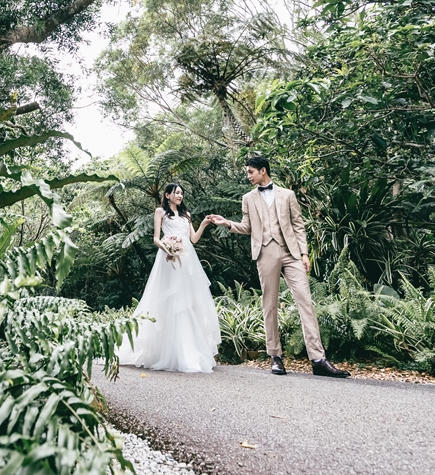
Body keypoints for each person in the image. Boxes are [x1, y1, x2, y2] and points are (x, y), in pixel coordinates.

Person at [208, 157, 350, 378]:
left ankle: (318, 359)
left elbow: (298, 225)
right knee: (270, 304)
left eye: (250, 172)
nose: (248, 176)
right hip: (265, 252)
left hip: (291, 253)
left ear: (263, 171)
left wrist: (304, 253)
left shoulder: (288, 195)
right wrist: (227, 223)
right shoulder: (248, 198)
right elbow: (247, 227)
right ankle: (275, 356)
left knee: (305, 302)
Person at [118, 183, 222, 373]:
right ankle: (167, 351)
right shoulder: (160, 212)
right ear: (167, 195)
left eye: (182, 193)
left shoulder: (186, 214)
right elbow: (156, 238)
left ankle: (190, 350)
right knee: (170, 300)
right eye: (177, 193)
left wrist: (205, 224)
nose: (180, 196)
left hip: (188, 259)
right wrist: (169, 250)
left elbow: (194, 239)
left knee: (189, 301)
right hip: (168, 259)